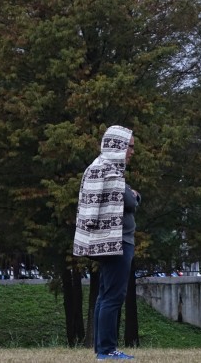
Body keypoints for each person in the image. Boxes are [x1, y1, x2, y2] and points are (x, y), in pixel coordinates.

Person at [73, 125, 140, 361]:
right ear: (118, 145)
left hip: (108, 242)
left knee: (105, 295)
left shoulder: (98, 167)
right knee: (113, 296)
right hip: (116, 242)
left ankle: (102, 348)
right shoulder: (110, 171)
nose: (132, 151)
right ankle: (107, 350)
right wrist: (133, 194)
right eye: (130, 146)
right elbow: (129, 201)